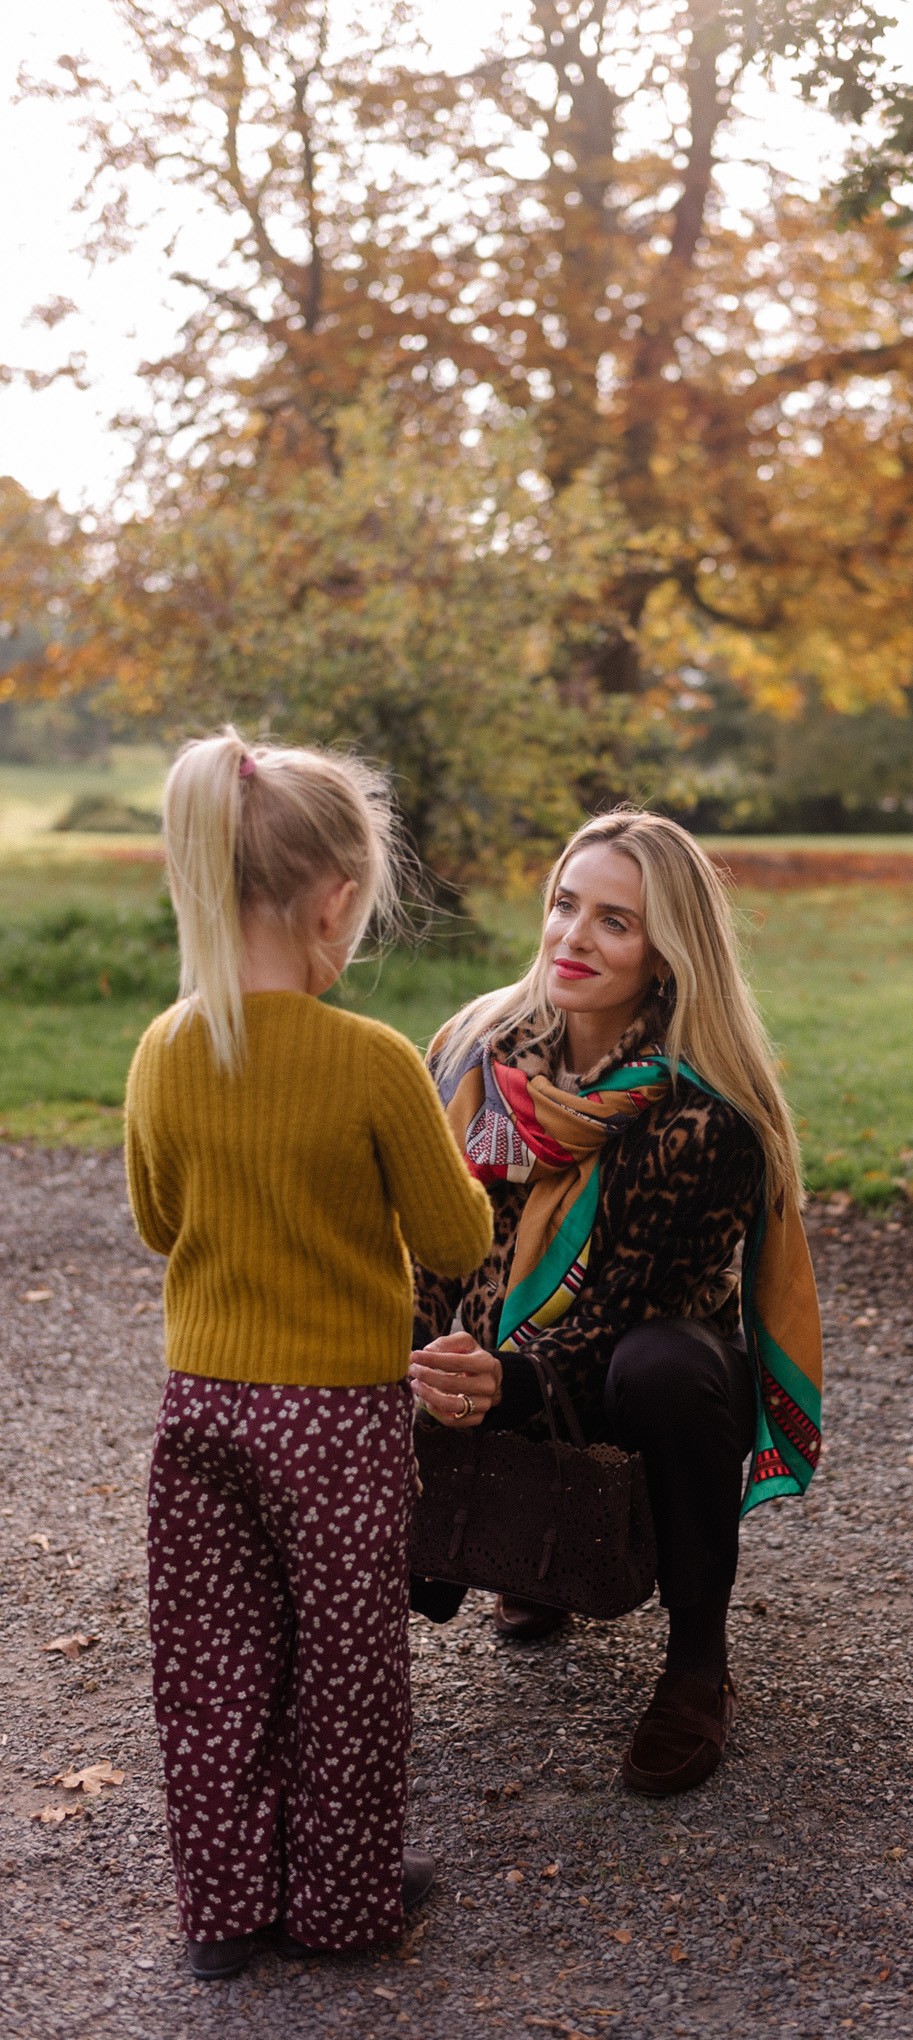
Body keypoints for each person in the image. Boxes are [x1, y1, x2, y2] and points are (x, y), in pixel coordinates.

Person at [124, 728, 492, 1981]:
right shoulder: (376, 1062)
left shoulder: (167, 1048)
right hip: (335, 1418)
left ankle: (223, 1913)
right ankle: (340, 1907)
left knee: (212, 1661)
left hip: (202, 1408)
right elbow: (454, 1233)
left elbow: (158, 1223)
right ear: (336, 898)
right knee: (345, 1665)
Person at [407, 809, 823, 1795]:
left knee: (670, 1365)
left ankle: (696, 1666)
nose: (572, 938)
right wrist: (427, 1359)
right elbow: (418, 1238)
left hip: (617, 1378)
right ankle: (509, 1555)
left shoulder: (704, 1115)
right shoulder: (474, 1048)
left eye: (615, 922)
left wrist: (499, 1383)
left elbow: (614, 1323)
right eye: (564, 905)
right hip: (483, 1351)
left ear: (667, 957)